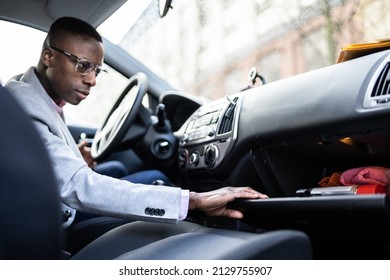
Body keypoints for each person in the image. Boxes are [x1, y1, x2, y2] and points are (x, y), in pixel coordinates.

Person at [5, 17, 267, 253]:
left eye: (97, 70)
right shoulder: (25, 105)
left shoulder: (37, 93)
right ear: (49, 56)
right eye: (83, 66)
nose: (93, 80)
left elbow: (50, 166)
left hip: (53, 206)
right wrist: (194, 201)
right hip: (58, 222)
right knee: (159, 184)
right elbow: (76, 185)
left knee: (124, 168)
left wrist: (73, 159)